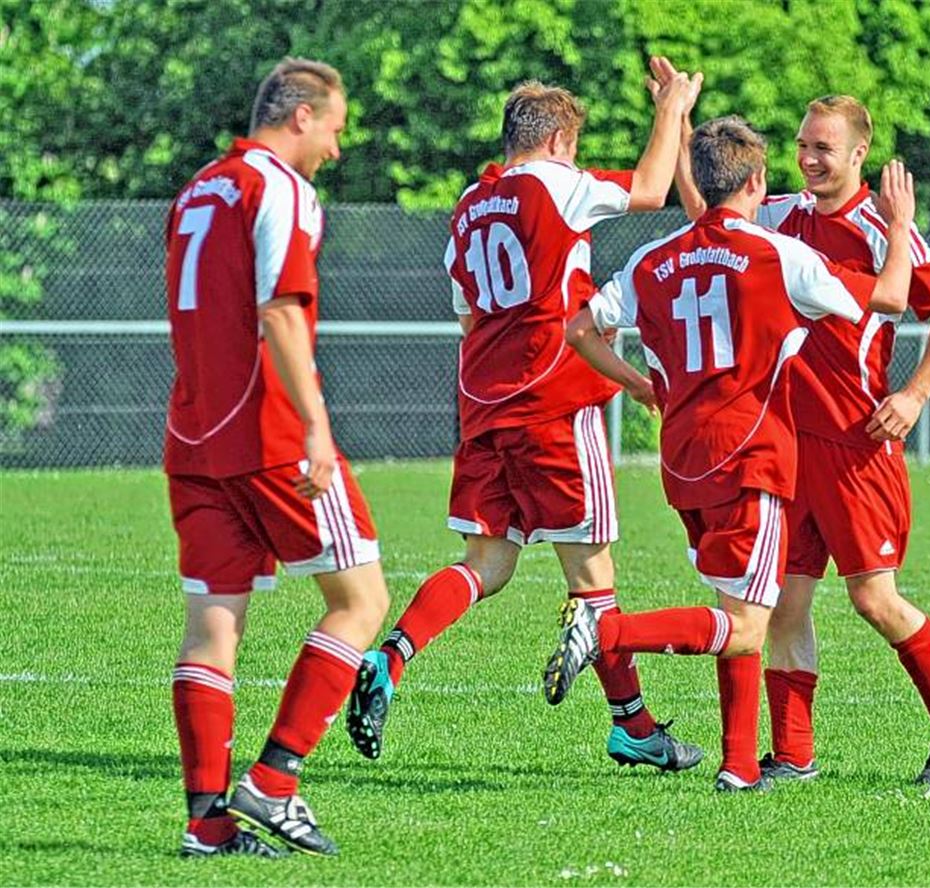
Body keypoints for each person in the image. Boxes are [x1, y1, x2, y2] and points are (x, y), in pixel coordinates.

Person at [345, 69, 706, 772]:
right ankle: (632, 727)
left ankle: (391, 656)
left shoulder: (468, 206)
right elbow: (650, 188)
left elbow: (469, 317)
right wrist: (670, 109)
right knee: (592, 578)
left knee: (486, 564)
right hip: (554, 401)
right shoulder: (557, 183)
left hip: (486, 407)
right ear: (560, 139)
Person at [546, 115, 916, 792]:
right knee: (745, 626)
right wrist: (899, 226)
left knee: (735, 608)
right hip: (750, 456)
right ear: (756, 181)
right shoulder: (778, 255)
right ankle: (606, 634)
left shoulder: (652, 258)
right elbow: (890, 296)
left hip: (682, 463)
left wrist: (637, 384)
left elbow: (579, 329)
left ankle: (740, 767)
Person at [665, 77, 930, 790]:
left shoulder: (882, 228)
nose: (809, 158)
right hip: (785, 446)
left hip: (855, 445)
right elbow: (709, 214)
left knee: (874, 600)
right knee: (785, 602)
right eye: (803, 145)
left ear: (859, 154)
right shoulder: (781, 215)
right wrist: (680, 123)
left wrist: (914, 394)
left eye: (824, 148)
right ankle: (795, 755)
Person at [165, 57, 389, 858]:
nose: (336, 148)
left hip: (194, 437)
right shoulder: (280, 188)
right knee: (361, 599)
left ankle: (207, 824)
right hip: (269, 436)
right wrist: (316, 426)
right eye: (334, 128)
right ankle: (275, 781)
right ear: (301, 116)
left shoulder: (199, 189)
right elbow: (281, 310)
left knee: (212, 625)